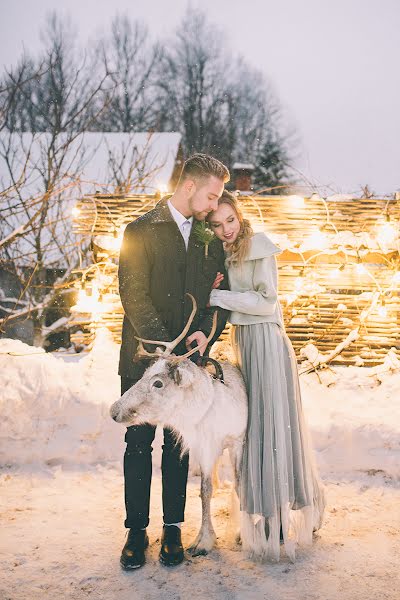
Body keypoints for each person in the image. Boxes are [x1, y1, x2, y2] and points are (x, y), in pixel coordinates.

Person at [117, 154, 230, 569]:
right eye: (211, 195)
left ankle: (173, 529)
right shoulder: (140, 230)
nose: (214, 205)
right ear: (188, 187)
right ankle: (135, 531)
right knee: (138, 443)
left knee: (179, 446)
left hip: (190, 367)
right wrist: (166, 351)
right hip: (142, 360)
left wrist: (206, 332)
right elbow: (133, 296)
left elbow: (217, 296)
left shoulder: (208, 237)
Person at [207, 191, 325, 562]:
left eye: (230, 220)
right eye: (216, 224)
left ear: (238, 215)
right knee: (255, 429)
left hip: (268, 345)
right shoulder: (223, 253)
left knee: (274, 426)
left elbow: (266, 301)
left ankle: (279, 515)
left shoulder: (258, 245)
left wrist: (218, 298)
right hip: (245, 343)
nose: (226, 229)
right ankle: (263, 511)